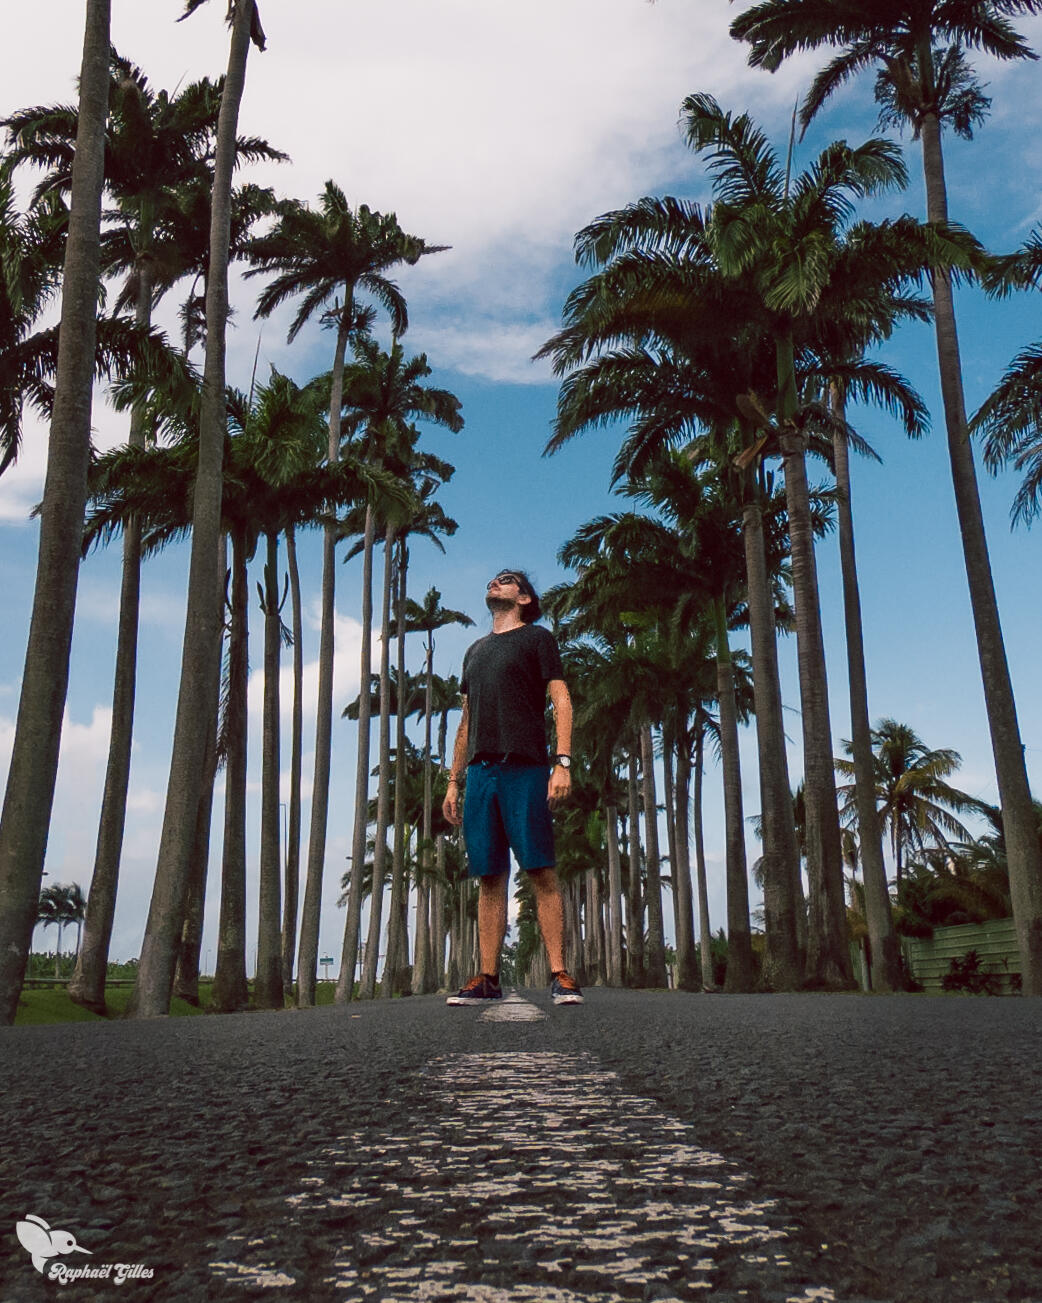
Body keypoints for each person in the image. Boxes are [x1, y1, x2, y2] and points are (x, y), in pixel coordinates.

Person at [442, 569, 583, 1006]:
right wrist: (453, 781)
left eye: (505, 580)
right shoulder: (474, 651)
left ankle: (560, 975)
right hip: (481, 775)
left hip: (525, 768)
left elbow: (560, 699)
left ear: (523, 598)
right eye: (492, 580)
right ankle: (487, 977)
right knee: (489, 877)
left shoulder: (537, 639)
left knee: (540, 870)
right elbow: (465, 721)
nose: (493, 583)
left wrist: (562, 762)